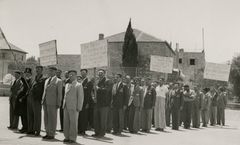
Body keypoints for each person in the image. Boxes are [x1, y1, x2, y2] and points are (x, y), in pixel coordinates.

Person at [63, 70, 84, 143]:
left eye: (72, 74)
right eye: (69, 74)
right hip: (66, 106)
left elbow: (80, 97)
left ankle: (72, 138)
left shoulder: (78, 85)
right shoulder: (67, 85)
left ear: (76, 75)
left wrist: (79, 107)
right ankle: (67, 137)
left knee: (73, 123)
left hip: (74, 107)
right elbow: (65, 96)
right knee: (66, 122)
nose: (71, 76)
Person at [42, 66, 62, 140]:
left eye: (51, 71)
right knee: (46, 118)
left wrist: (58, 103)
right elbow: (44, 91)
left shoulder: (58, 81)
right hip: (45, 102)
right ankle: (47, 133)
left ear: (55, 72)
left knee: (52, 119)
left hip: (53, 103)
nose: (49, 72)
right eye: (49, 71)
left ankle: (52, 134)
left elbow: (59, 93)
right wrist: (42, 100)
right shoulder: (47, 80)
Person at [92, 69, 112, 137]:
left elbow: (107, 90)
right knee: (96, 119)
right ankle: (96, 132)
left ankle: (102, 133)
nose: (100, 74)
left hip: (104, 104)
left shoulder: (107, 81)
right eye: (99, 73)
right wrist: (93, 97)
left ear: (104, 74)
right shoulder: (97, 81)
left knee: (103, 119)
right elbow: (92, 91)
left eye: (101, 73)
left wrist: (98, 88)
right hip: (97, 103)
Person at [27, 66, 46, 136]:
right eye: (36, 69)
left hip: (37, 99)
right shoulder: (33, 78)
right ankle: (30, 129)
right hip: (30, 98)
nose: (37, 70)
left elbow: (44, 89)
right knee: (30, 114)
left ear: (42, 70)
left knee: (37, 115)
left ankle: (37, 130)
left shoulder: (44, 79)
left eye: (39, 69)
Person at [15, 68, 32, 133]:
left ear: (30, 74)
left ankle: (26, 127)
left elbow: (28, 90)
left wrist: (23, 97)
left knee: (25, 114)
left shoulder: (30, 80)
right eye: (26, 73)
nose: (27, 74)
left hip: (25, 99)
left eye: (28, 73)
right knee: (22, 114)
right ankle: (23, 126)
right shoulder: (25, 80)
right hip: (21, 100)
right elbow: (23, 88)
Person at [78, 69, 93, 135]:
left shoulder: (89, 82)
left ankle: (83, 130)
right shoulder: (79, 81)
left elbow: (89, 94)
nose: (82, 74)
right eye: (81, 73)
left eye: (84, 73)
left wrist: (87, 103)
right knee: (79, 116)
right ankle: (79, 129)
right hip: (79, 101)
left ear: (86, 73)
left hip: (85, 102)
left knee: (84, 117)